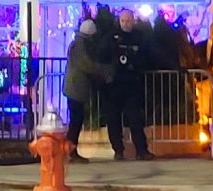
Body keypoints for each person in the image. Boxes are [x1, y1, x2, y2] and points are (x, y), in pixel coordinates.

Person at [103, 9, 154, 160]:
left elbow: (147, 55)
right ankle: (118, 150)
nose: (125, 24)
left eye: (128, 21)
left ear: (133, 21)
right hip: (114, 86)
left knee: (135, 119)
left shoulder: (138, 37)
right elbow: (102, 56)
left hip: (131, 85)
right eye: (123, 21)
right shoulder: (111, 38)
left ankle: (141, 151)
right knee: (113, 120)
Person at [63, 18, 115, 163]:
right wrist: (104, 71)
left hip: (76, 87)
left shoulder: (78, 44)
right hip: (76, 88)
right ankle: (69, 151)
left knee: (76, 120)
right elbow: (86, 64)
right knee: (76, 121)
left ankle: (70, 150)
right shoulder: (80, 46)